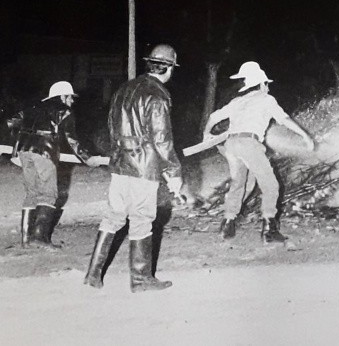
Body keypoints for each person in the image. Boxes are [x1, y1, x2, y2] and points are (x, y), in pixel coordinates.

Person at [84, 44, 183, 293]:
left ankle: (92, 275)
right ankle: (140, 280)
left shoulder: (123, 89)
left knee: (113, 216)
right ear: (169, 67)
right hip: (144, 168)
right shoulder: (157, 96)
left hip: (120, 164)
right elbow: (161, 138)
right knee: (142, 219)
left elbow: (110, 127)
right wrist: (173, 173)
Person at [203, 61, 314, 243]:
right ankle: (269, 230)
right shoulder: (266, 99)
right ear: (263, 84)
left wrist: (206, 133)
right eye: (267, 84)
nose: (268, 88)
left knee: (243, 183)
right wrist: (305, 135)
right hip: (249, 143)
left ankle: (227, 223)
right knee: (270, 185)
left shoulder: (237, 101)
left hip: (231, 144)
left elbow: (214, 116)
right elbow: (284, 119)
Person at [8, 81, 104, 249]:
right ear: (62, 96)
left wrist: (14, 146)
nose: (72, 101)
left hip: (23, 151)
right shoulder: (64, 111)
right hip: (44, 151)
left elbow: (11, 122)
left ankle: (25, 239)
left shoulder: (32, 107)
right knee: (48, 194)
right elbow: (72, 140)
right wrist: (87, 159)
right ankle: (39, 238)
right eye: (70, 97)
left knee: (32, 192)